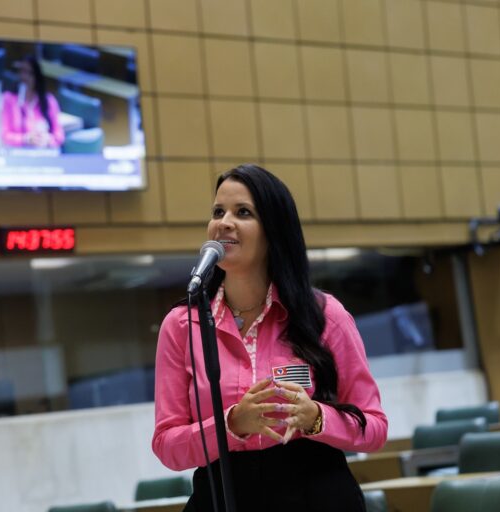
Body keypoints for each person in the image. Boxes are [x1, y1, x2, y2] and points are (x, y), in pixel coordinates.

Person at [152, 164, 388, 510]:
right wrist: (231, 424)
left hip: (315, 494)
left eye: (243, 212)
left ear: (273, 231)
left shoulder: (325, 315)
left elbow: (375, 428)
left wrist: (316, 418)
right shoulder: (182, 325)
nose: (224, 222)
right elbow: (167, 445)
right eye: (218, 211)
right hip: (224, 497)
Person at [0, 55, 65, 149]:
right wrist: (26, 139)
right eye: (22, 71)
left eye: (29, 73)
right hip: (19, 155)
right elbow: (5, 136)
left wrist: (48, 140)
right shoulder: (9, 100)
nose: (24, 77)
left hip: (44, 153)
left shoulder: (49, 101)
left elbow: (59, 136)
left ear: (37, 76)